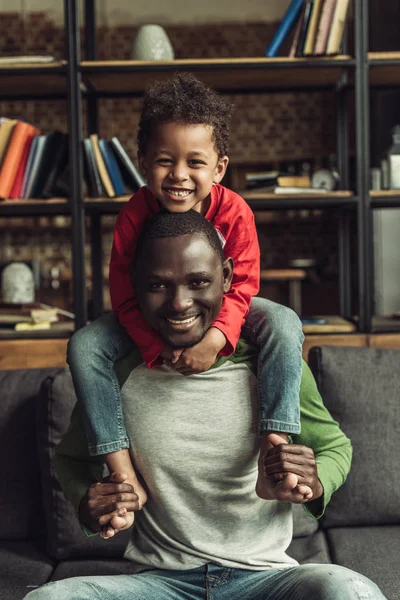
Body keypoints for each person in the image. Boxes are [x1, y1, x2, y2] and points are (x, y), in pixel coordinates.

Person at [25, 210, 386, 600]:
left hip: (266, 580)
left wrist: (315, 482)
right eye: (158, 286)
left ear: (227, 277)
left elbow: (335, 447)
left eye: (198, 282)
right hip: (159, 585)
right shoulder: (113, 375)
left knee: (350, 590)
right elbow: (72, 460)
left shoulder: (273, 365)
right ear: (135, 286)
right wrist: (88, 501)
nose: (180, 303)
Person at [67, 71, 305, 522]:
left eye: (195, 163)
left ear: (218, 168)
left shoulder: (234, 212)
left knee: (285, 322)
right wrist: (156, 348)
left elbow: (245, 283)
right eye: (164, 161)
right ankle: (123, 473)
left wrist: (215, 339)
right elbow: (124, 296)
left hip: (228, 309)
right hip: (148, 316)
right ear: (141, 161)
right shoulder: (133, 217)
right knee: (85, 346)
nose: (179, 175)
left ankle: (273, 447)